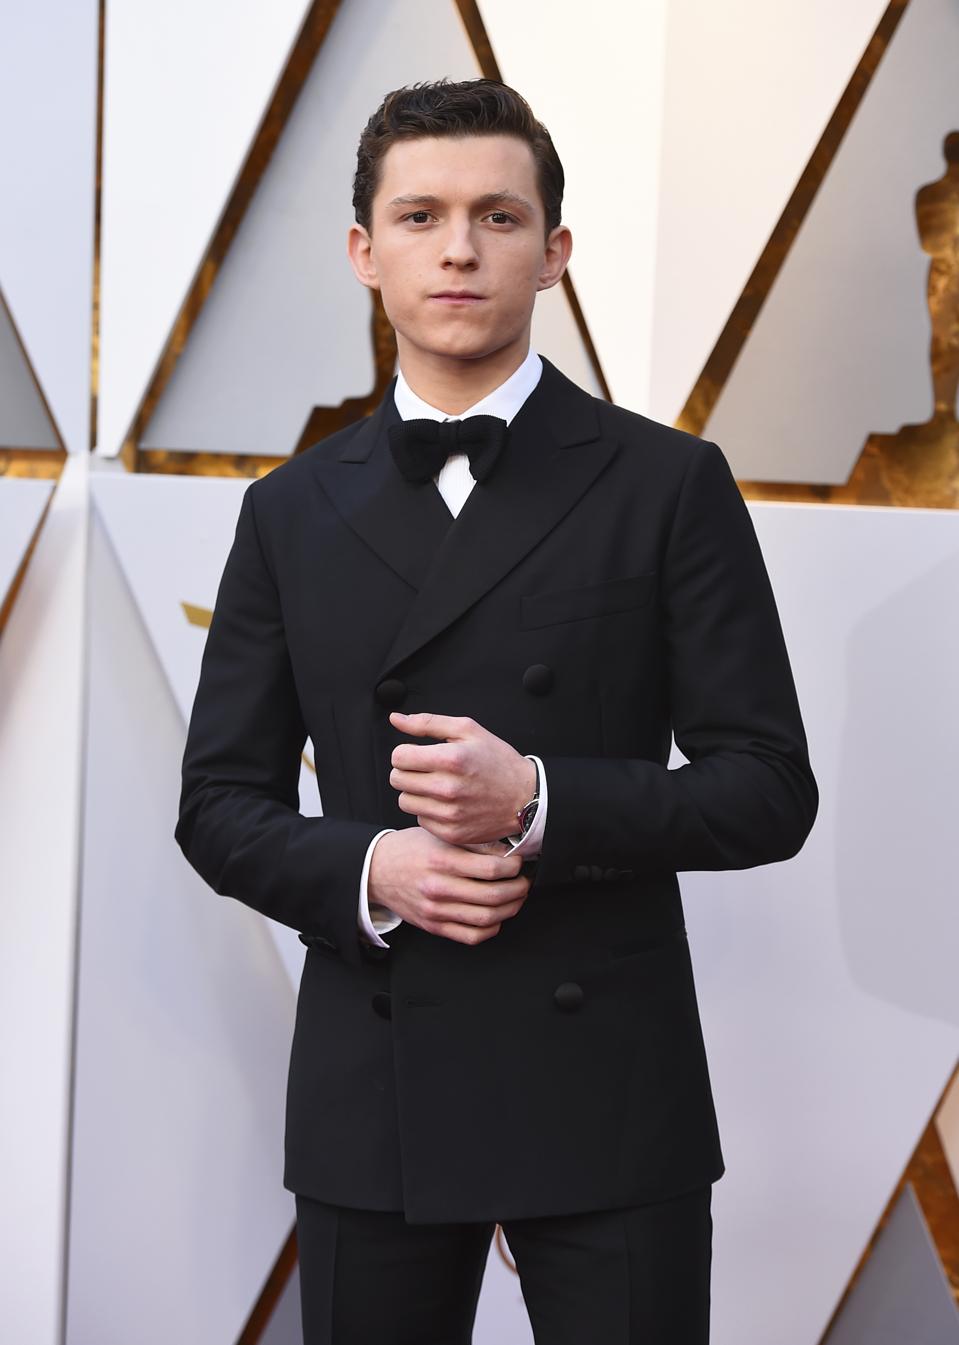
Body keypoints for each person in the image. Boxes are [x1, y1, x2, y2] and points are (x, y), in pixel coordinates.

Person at [175, 78, 818, 1344]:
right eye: (419, 216)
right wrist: (374, 869)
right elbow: (218, 805)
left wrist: (538, 800)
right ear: (364, 252)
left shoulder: (667, 484)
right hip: (376, 1084)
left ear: (553, 251)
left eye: (497, 216)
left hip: (604, 1087)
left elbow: (765, 788)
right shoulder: (288, 511)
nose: (458, 249)